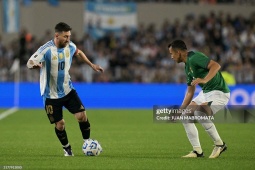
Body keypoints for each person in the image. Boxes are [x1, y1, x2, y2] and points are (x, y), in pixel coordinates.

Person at [27, 22, 104, 156]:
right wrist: (36, 65)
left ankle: (87, 142)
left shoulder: (70, 46)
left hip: (68, 90)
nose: (68, 39)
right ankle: (67, 149)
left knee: (82, 116)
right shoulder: (45, 49)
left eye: (69, 36)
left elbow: (79, 53)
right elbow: (30, 63)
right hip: (50, 94)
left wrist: (92, 65)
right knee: (60, 124)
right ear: (57, 35)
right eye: (65, 36)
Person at [168, 40, 230, 158]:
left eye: (172, 53)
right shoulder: (187, 67)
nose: (171, 57)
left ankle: (220, 144)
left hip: (219, 92)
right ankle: (197, 151)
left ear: (179, 52)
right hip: (206, 93)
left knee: (200, 112)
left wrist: (205, 79)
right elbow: (190, 92)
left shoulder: (195, 57)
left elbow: (216, 65)